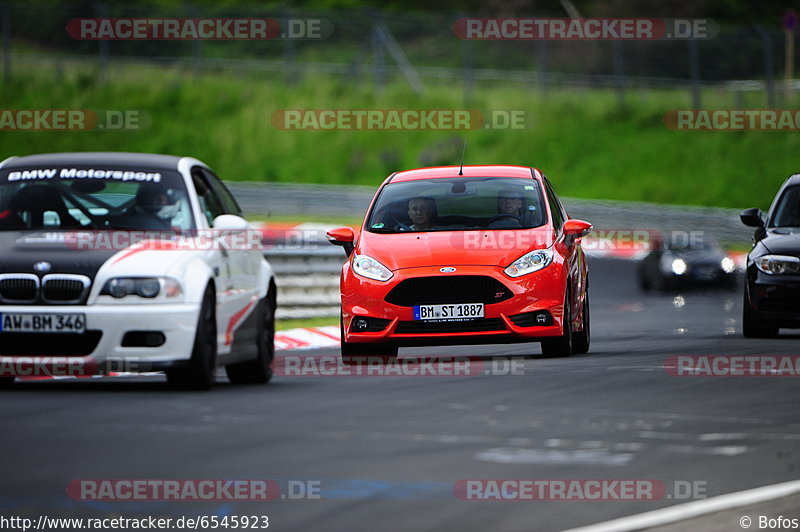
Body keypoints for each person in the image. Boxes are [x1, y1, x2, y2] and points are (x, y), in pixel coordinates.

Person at [113, 185, 180, 230]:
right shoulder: (124, 223)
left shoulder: (179, 224)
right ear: (141, 200)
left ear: (169, 201)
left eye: (159, 199)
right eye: (149, 199)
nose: (154, 202)